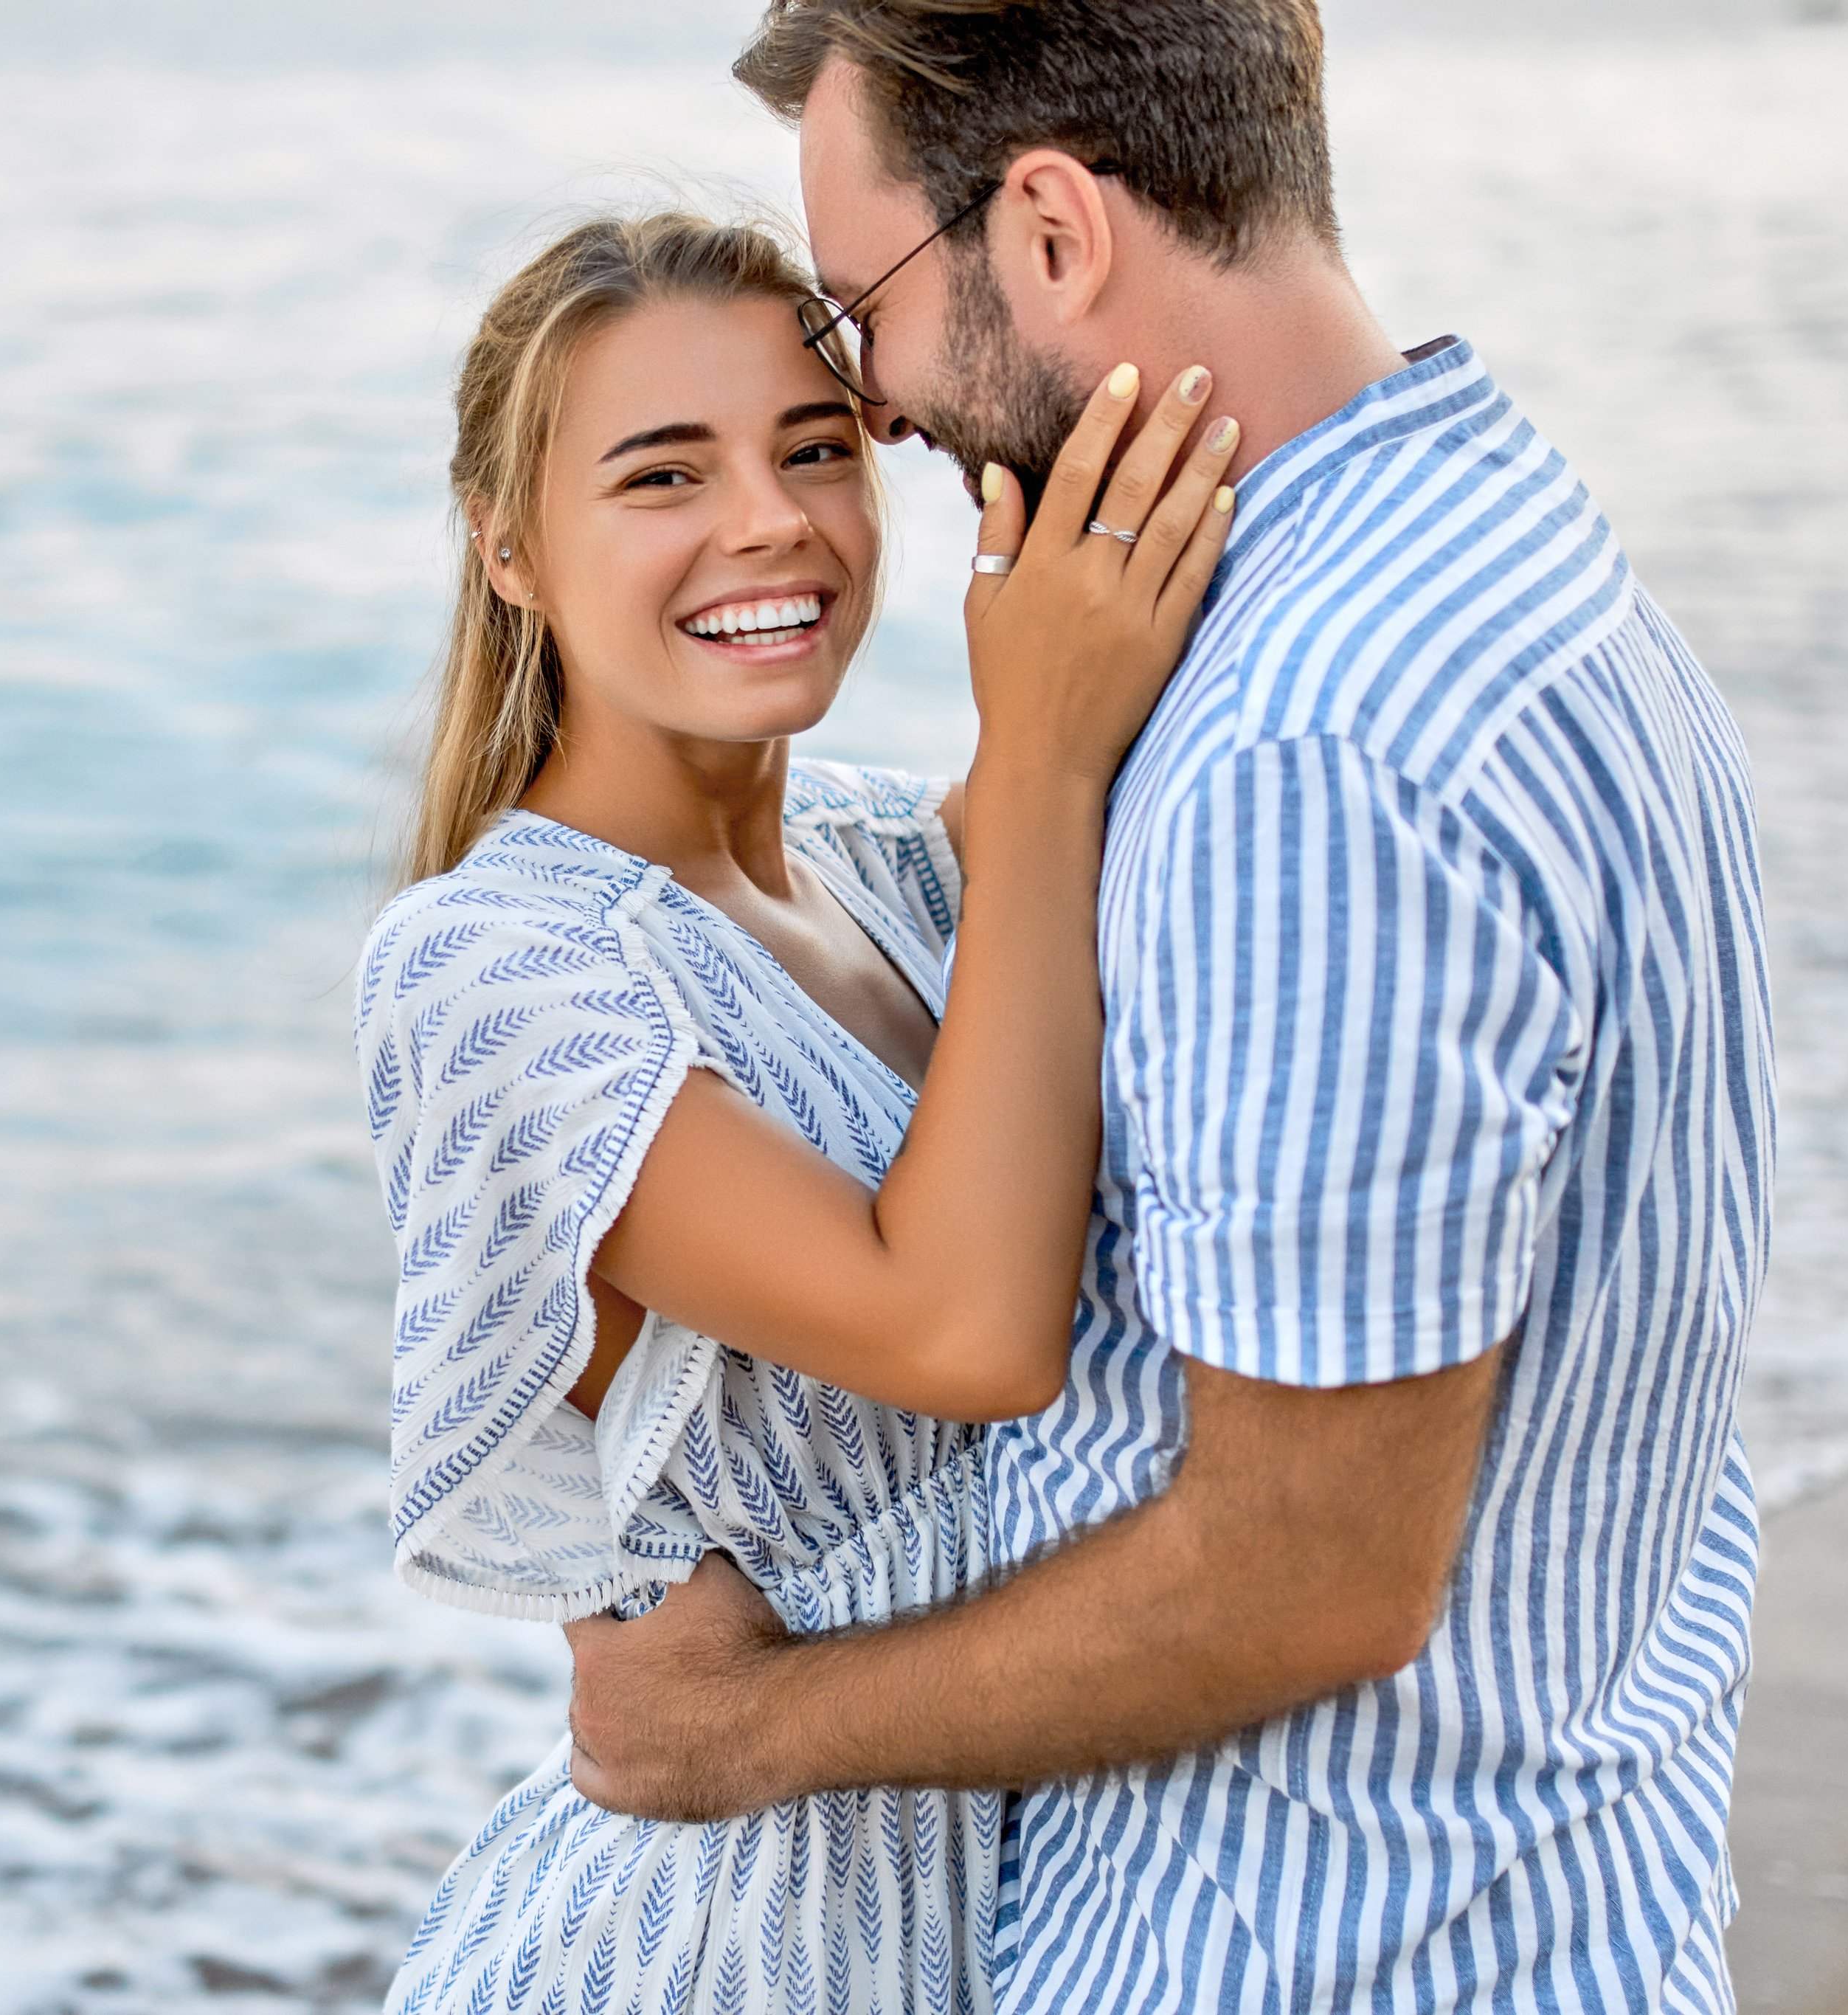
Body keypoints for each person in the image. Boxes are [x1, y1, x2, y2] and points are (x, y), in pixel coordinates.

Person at [558, 4, 1776, 2011]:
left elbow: (1306, 1570)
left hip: (1319, 1950)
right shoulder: (1510, 555)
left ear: (1048, 231)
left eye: (868, 300)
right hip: (1568, 1896)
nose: (870, 402)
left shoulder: (1307, 749)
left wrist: (736, 1730)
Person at [356, 210, 1231, 2011]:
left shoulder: (871, 858)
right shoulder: (495, 966)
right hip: (732, 1940)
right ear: (507, 550)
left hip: (1004, 1894)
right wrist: (1049, 743)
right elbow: (963, 1326)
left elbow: (1106, 632)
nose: (769, 522)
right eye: (660, 474)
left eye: (815, 448)